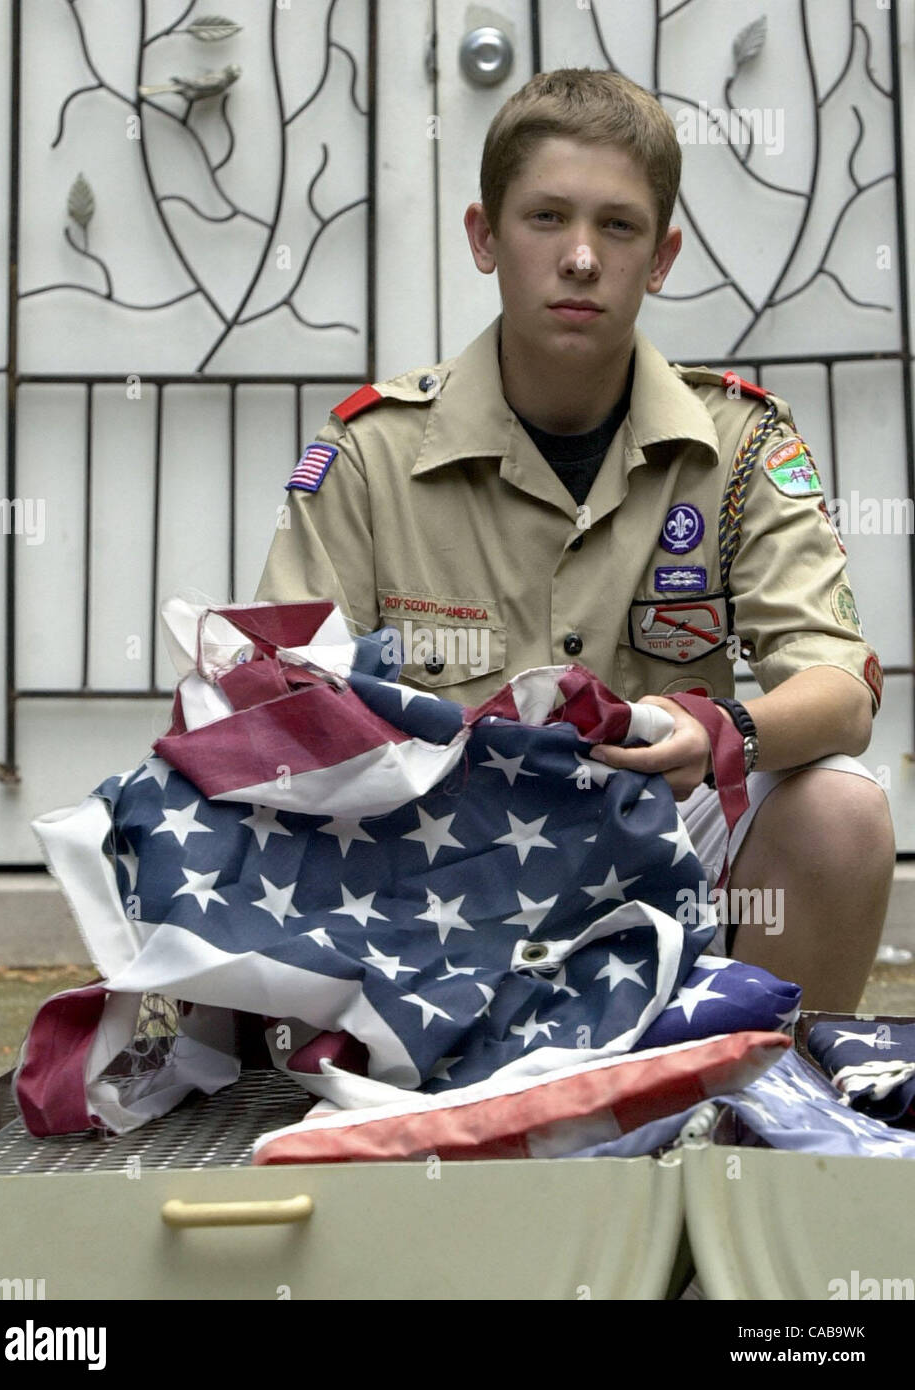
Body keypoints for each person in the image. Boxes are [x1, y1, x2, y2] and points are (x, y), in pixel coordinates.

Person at [255, 68, 894, 1012]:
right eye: (546, 218)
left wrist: (725, 729)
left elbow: (839, 690)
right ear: (486, 237)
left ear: (663, 255)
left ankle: (773, 1108)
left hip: (673, 851)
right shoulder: (371, 454)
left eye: (619, 226)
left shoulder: (741, 444)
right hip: (437, 871)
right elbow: (273, 700)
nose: (583, 257)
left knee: (843, 806)